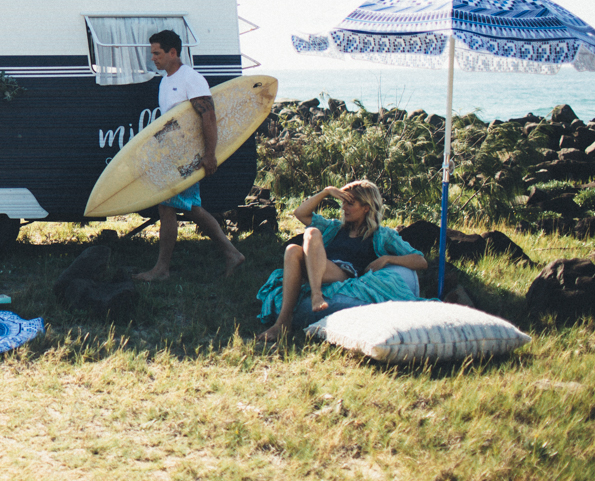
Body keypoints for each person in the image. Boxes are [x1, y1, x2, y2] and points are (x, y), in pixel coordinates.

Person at [134, 29, 246, 282]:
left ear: (173, 52)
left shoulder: (191, 79)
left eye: (157, 53)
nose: (153, 58)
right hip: (173, 154)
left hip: (187, 156)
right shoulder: (165, 81)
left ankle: (162, 269)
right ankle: (231, 253)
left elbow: (209, 116)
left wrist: (210, 154)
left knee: (168, 206)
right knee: (189, 207)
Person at [254, 180, 427, 342]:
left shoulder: (381, 235)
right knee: (293, 248)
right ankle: (282, 323)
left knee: (311, 232)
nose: (344, 208)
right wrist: (326, 191)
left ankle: (315, 295)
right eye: (343, 203)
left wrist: (387, 258)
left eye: (350, 204)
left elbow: (420, 260)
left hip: (343, 275)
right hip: (318, 268)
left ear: (366, 208)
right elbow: (300, 213)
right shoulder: (335, 227)